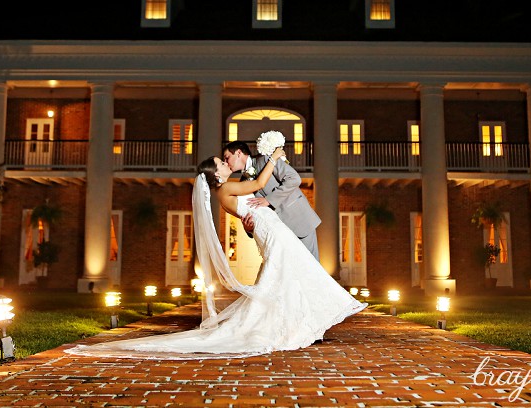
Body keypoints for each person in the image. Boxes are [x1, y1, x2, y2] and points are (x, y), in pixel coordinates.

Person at [65, 146, 367, 359]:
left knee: (290, 277)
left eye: (225, 159)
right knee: (295, 274)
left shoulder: (228, 190)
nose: (224, 162)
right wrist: (275, 156)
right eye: (220, 162)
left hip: (272, 231)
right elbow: (261, 183)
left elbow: (254, 204)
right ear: (217, 174)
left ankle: (301, 323)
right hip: (273, 234)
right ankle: (292, 325)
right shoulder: (227, 189)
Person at [223, 140, 322, 260]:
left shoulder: (266, 160)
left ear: (238, 153)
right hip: (278, 234)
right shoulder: (242, 183)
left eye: (227, 157)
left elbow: (294, 179)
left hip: (299, 221)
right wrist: (248, 229)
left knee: (311, 268)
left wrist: (269, 200)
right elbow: (251, 211)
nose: (225, 162)